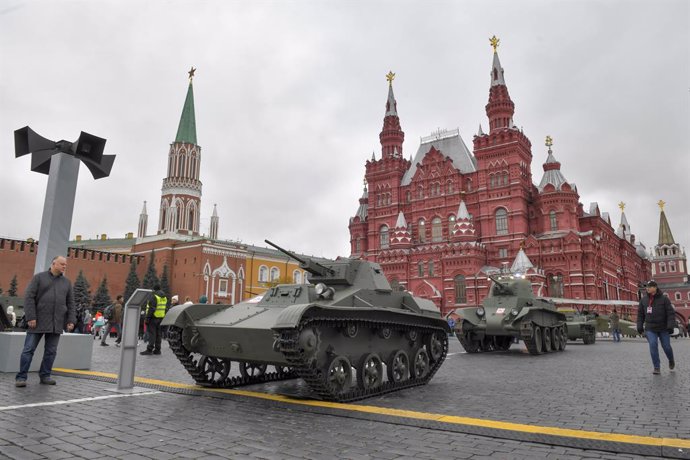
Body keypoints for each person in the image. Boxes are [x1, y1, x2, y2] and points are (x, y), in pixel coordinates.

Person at [15, 255, 76, 387]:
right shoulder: (39, 278)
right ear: (53, 264)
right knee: (28, 350)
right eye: (62, 264)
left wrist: (71, 320)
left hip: (56, 323)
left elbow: (70, 303)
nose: (64, 266)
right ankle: (21, 377)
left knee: (51, 351)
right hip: (36, 322)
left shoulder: (67, 282)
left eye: (65, 264)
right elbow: (29, 297)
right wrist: (31, 317)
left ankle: (45, 376)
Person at [637, 280, 676, 375]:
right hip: (650, 328)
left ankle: (671, 360)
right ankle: (656, 367)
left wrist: (670, 326)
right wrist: (640, 326)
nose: (647, 288)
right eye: (647, 287)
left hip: (663, 328)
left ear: (655, 287)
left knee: (666, 347)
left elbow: (670, 313)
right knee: (653, 345)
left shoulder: (664, 299)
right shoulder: (643, 300)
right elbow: (640, 315)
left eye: (649, 287)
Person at [140, 284, 167, 356]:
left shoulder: (154, 296)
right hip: (161, 318)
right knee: (158, 335)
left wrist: (147, 318)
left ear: (154, 290)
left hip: (153, 318)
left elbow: (151, 308)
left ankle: (149, 349)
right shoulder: (164, 297)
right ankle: (158, 350)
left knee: (152, 334)